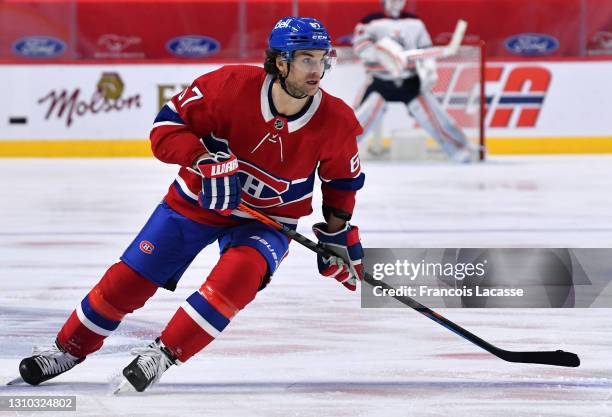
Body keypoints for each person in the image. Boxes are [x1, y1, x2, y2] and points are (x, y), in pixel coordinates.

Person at [16, 16, 365, 393]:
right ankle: (68, 348)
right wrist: (201, 159)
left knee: (237, 280)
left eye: (322, 59)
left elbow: (342, 182)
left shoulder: (337, 121)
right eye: (307, 59)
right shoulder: (229, 86)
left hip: (268, 220)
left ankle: (162, 355)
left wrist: (336, 234)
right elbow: (165, 128)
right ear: (280, 62)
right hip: (196, 202)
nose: (318, 70)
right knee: (128, 282)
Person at [352, 0, 474, 162]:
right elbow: (360, 47)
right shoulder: (370, 21)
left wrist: (428, 70)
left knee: (435, 116)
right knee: (360, 119)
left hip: (410, 81)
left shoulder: (415, 23)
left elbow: (426, 49)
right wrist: (380, 53)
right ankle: (339, 151)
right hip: (380, 82)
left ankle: (461, 149)